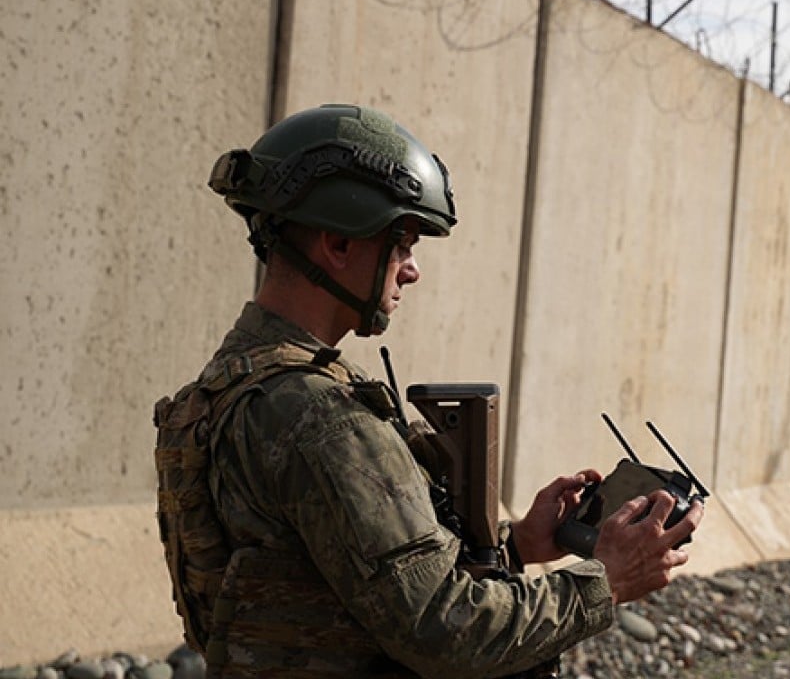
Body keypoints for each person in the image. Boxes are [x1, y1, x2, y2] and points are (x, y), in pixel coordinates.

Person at [154, 104, 704, 678]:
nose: (411, 270)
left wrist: (518, 547)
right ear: (338, 244)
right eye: (403, 244)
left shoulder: (226, 386)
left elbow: (338, 584)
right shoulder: (317, 417)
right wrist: (607, 581)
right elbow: (446, 632)